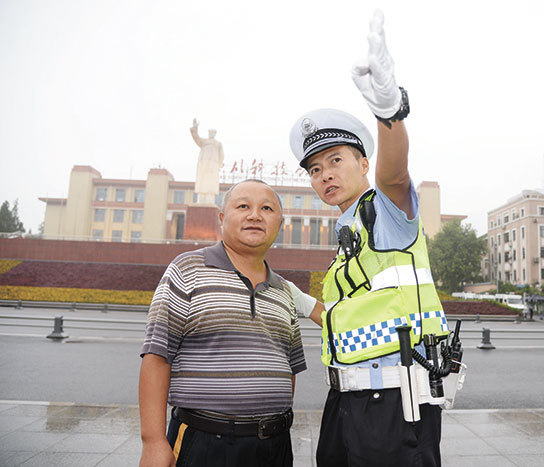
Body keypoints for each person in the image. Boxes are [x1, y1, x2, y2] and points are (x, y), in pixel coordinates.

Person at [289, 10, 450, 467]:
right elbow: (358, 319)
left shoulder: (385, 211)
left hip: (394, 406)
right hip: (347, 402)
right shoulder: (349, 234)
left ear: (362, 163)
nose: (325, 175)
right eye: (315, 169)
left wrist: (388, 111)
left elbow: (396, 174)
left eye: (335, 160)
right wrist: (301, 302)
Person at [138, 179, 317, 467]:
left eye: (267, 208)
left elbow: (288, 367)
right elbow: (157, 356)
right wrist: (153, 441)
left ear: (280, 224)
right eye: (243, 206)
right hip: (204, 444)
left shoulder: (284, 292)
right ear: (222, 218)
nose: (255, 215)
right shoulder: (187, 270)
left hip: (274, 447)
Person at [190, 118, 224, 205]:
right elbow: (196, 137)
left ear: (215, 134)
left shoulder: (218, 144)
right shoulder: (204, 142)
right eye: (210, 132)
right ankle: (200, 199)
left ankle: (210, 199)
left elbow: (221, 155)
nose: (211, 134)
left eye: (212, 133)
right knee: (202, 181)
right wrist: (195, 128)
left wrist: (218, 165)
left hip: (213, 166)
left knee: (211, 183)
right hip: (203, 165)